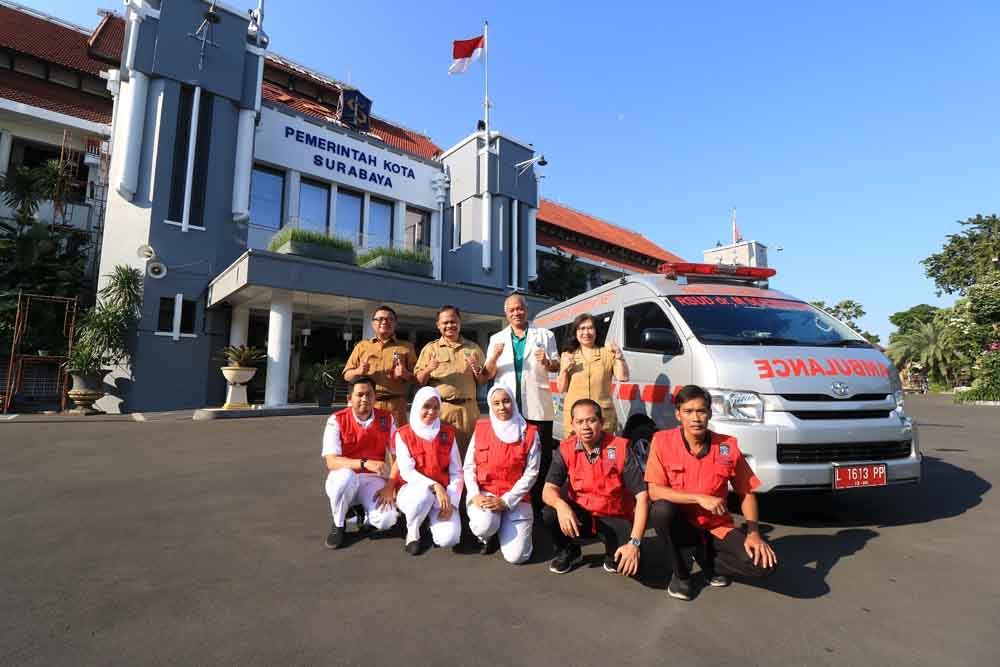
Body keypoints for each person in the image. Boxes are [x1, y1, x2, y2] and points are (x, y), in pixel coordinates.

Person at [646, 385, 778, 601]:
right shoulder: (662, 441)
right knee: (661, 510)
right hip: (681, 523)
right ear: (678, 414)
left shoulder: (727, 446)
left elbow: (746, 492)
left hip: (717, 527)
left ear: (709, 414)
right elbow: (654, 490)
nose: (696, 418)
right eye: (688, 411)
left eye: (701, 411)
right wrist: (698, 498)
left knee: (764, 565)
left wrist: (753, 532)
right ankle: (681, 575)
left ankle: (707, 561)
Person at [541, 399, 649, 577]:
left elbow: (643, 496)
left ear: (601, 422)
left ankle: (611, 553)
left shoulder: (620, 448)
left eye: (591, 420)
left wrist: (635, 542)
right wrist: (561, 506)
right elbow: (548, 490)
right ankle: (568, 550)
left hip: (614, 516)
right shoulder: (566, 449)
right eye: (580, 422)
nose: (586, 427)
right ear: (573, 425)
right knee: (549, 513)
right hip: (581, 515)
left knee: (630, 568)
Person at [484, 293, 559, 511]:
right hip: (508, 408)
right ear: (505, 314)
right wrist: (494, 357)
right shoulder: (496, 339)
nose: (516, 313)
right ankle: (512, 501)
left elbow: (555, 365)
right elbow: (488, 374)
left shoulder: (545, 335)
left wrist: (546, 361)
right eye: (511, 310)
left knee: (541, 457)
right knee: (511, 457)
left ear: (527, 309)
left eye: (520, 308)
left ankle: (538, 504)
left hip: (537, 405)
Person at [463, 386, 540, 564]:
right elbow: (469, 466)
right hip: (486, 494)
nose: (502, 407)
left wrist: (506, 501)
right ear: (490, 406)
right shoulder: (481, 428)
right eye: (496, 403)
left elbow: (532, 472)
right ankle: (488, 536)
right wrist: (474, 494)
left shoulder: (529, 433)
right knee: (485, 526)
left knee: (517, 557)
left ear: (513, 402)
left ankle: (504, 528)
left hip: (516, 498)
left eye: (506, 401)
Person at [321, 376, 399, 550]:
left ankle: (362, 516)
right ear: (350, 399)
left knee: (388, 519)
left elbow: (398, 456)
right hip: (345, 477)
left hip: (373, 480)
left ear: (375, 397)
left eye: (369, 394)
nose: (365, 399)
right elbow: (331, 462)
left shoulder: (387, 419)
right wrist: (364, 463)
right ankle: (339, 523)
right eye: (360, 395)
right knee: (345, 478)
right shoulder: (336, 420)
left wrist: (391, 486)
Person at [394, 386, 464, 555]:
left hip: (442, 496)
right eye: (426, 406)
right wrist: (435, 486)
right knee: (422, 497)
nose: (431, 412)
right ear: (417, 406)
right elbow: (406, 471)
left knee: (450, 538)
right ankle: (413, 531)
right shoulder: (403, 434)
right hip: (412, 492)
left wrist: (452, 502)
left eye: (436, 407)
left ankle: (427, 520)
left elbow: (457, 472)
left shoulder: (447, 433)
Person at [414, 305, 488, 454]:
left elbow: (483, 380)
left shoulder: (473, 349)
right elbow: (419, 380)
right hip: (441, 410)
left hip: (468, 411)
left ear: (459, 323)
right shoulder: (431, 349)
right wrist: (429, 368)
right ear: (438, 325)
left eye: (453, 322)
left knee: (468, 454)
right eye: (445, 323)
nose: (450, 326)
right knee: (438, 452)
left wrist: (477, 369)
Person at [557, 313, 629, 436]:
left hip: (602, 419)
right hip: (576, 420)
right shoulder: (568, 355)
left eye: (590, 328)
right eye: (581, 328)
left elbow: (623, 377)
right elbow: (562, 388)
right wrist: (564, 370)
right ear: (575, 332)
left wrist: (619, 356)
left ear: (596, 331)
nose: (586, 332)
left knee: (600, 453)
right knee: (577, 453)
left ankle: (595, 456)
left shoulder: (607, 353)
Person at [343, 305, 416, 428]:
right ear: (373, 323)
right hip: (368, 405)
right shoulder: (362, 346)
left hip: (396, 405)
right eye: (380, 319)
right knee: (368, 444)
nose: (384, 322)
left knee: (396, 444)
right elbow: (347, 376)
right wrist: (358, 370)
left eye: (389, 319)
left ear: (395, 324)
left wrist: (405, 374)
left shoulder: (407, 347)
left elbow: (418, 379)